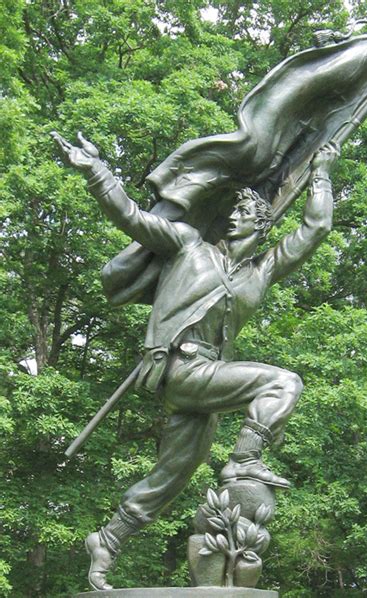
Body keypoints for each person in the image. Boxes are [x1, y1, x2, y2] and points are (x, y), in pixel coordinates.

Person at [52, 131, 339, 591]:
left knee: (170, 476)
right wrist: (95, 171)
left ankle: (107, 541)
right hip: (182, 369)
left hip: (203, 386)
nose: (232, 218)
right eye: (233, 212)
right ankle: (246, 457)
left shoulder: (260, 272)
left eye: (244, 214)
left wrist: (320, 175)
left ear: (261, 227)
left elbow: (314, 230)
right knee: (283, 382)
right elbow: (130, 216)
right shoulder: (188, 245)